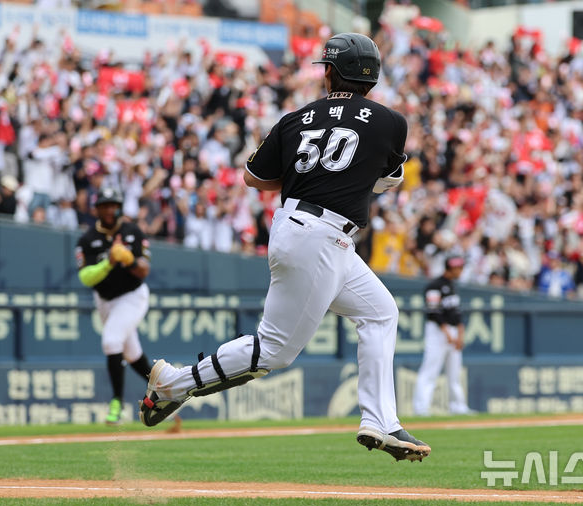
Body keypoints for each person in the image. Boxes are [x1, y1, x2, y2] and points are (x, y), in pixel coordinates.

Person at [139, 33, 431, 463]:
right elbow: (387, 179)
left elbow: (253, 178)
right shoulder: (391, 122)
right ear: (373, 76)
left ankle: (380, 420)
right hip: (322, 235)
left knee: (380, 312)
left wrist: (304, 177)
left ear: (330, 71)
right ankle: (173, 383)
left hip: (307, 228)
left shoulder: (296, 118)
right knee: (273, 350)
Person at [75, 187, 153, 425]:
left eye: (113, 205)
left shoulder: (132, 231)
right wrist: (109, 263)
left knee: (111, 340)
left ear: (119, 207)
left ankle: (116, 403)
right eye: (104, 205)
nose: (109, 210)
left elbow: (144, 269)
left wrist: (128, 259)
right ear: (96, 209)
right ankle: (167, 389)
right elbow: (85, 277)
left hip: (132, 296)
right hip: (105, 300)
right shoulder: (88, 239)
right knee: (131, 354)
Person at [413, 255, 473, 416]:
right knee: (430, 369)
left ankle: (458, 406)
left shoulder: (452, 286)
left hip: (452, 330)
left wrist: (460, 334)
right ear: (450, 268)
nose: (461, 271)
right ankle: (421, 407)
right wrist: (448, 333)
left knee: (455, 372)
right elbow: (434, 312)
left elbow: (457, 313)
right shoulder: (434, 286)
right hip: (437, 331)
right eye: (458, 268)